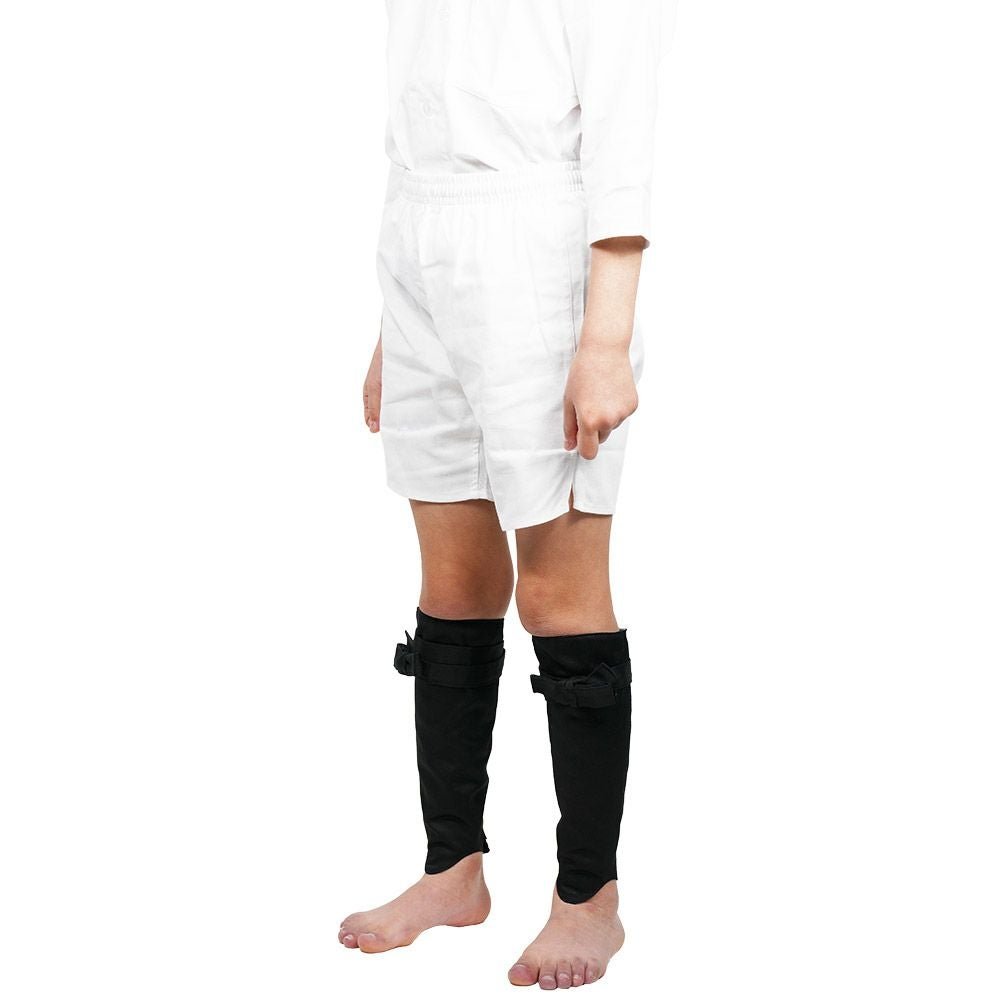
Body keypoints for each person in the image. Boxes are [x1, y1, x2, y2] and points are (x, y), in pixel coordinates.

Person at [340, 0, 673, 989]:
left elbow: (620, 146)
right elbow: (418, 124)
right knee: (451, 583)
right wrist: (392, 328)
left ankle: (588, 898)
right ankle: (453, 868)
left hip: (538, 255)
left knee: (558, 594)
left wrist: (604, 341)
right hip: (420, 252)